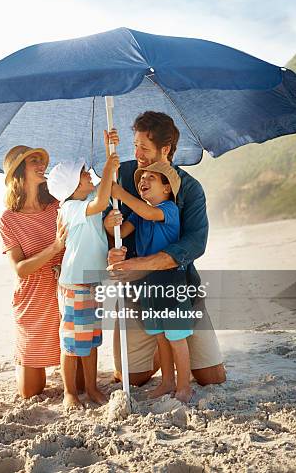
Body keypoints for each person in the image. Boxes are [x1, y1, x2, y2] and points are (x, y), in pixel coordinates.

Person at [104, 111, 226, 387]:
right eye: (134, 145)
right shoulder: (121, 175)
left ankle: (174, 345)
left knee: (212, 378)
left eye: (144, 148)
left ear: (166, 149)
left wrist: (140, 264)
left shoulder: (190, 189)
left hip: (177, 287)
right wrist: (111, 242)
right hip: (138, 294)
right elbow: (110, 231)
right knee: (132, 378)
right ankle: (161, 353)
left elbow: (195, 243)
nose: (137, 153)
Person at [0, 145, 85, 398]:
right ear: (18, 172)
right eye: (33, 161)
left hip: (66, 294)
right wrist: (56, 247)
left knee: (79, 386)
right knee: (30, 392)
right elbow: (20, 269)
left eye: (41, 160)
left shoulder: (58, 206)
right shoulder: (8, 219)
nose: (41, 165)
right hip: (33, 300)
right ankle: (22, 358)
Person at [110, 162, 194, 402]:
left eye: (150, 178)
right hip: (148, 284)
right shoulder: (138, 213)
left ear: (167, 188)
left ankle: (184, 386)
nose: (142, 181)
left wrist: (122, 194)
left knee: (176, 337)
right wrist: (113, 221)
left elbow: (149, 213)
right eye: (140, 178)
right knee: (160, 336)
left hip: (170, 281)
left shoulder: (169, 209)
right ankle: (167, 381)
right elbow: (122, 232)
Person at [47, 141, 119, 409]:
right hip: (76, 282)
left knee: (90, 339)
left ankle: (91, 387)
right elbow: (101, 200)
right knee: (72, 342)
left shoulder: (88, 203)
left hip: (93, 280)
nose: (89, 173)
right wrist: (108, 168)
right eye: (84, 173)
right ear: (73, 187)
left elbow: (103, 206)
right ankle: (70, 392)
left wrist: (109, 222)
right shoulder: (70, 208)